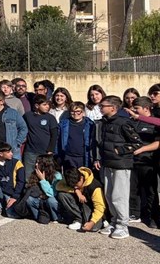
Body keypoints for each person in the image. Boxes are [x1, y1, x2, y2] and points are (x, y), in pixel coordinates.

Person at [95, 96, 142, 240]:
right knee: (109, 195)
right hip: (107, 163)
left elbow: (137, 143)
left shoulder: (123, 123)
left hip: (121, 164)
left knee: (119, 196)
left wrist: (120, 150)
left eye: (103, 106)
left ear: (113, 108)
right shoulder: (104, 122)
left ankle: (123, 226)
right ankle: (114, 221)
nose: (100, 108)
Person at [129, 97, 159, 228]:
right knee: (133, 189)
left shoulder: (155, 122)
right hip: (133, 161)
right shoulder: (132, 122)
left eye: (137, 108)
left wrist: (142, 149)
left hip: (148, 161)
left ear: (146, 108)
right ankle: (135, 214)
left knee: (150, 191)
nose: (134, 111)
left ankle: (153, 217)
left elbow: (158, 143)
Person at [56, 166, 106, 232]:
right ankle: (78, 219)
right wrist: (76, 190)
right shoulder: (70, 177)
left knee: (93, 227)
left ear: (81, 178)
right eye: (73, 186)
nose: (75, 187)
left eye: (76, 185)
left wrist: (92, 222)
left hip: (90, 207)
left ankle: (103, 220)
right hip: (79, 203)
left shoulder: (95, 187)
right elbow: (58, 186)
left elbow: (100, 207)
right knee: (62, 195)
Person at [22, 95, 58, 178]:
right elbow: (21, 128)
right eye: (44, 105)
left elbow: (54, 135)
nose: (47, 107)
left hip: (45, 152)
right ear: (37, 106)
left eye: (48, 104)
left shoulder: (50, 118)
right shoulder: (28, 116)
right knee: (28, 175)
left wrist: (51, 149)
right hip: (30, 151)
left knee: (46, 175)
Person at [0, 142, 25, 218]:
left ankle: (6, 206)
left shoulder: (17, 163)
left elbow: (21, 181)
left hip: (12, 194)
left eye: (11, 151)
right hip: (0, 193)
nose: (11, 154)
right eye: (8, 152)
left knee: (10, 214)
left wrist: (14, 197)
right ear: (1, 154)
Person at [57, 101, 95, 170]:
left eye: (78, 111)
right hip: (68, 156)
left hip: (84, 157)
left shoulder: (90, 124)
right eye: (72, 111)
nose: (75, 113)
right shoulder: (63, 124)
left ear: (83, 112)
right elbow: (57, 140)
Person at [24, 155, 62, 223]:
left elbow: (52, 193)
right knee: (29, 199)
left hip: (51, 199)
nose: (36, 164)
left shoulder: (57, 175)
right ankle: (38, 216)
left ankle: (56, 217)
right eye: (36, 162)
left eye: (38, 163)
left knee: (51, 200)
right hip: (40, 199)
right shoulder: (36, 172)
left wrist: (42, 180)